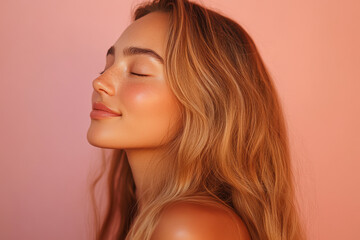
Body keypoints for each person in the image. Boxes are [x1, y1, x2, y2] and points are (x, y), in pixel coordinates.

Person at [87, 0, 306, 239]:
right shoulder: (158, 217)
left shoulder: (186, 228)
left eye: (139, 71)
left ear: (208, 101)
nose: (100, 82)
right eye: (106, 67)